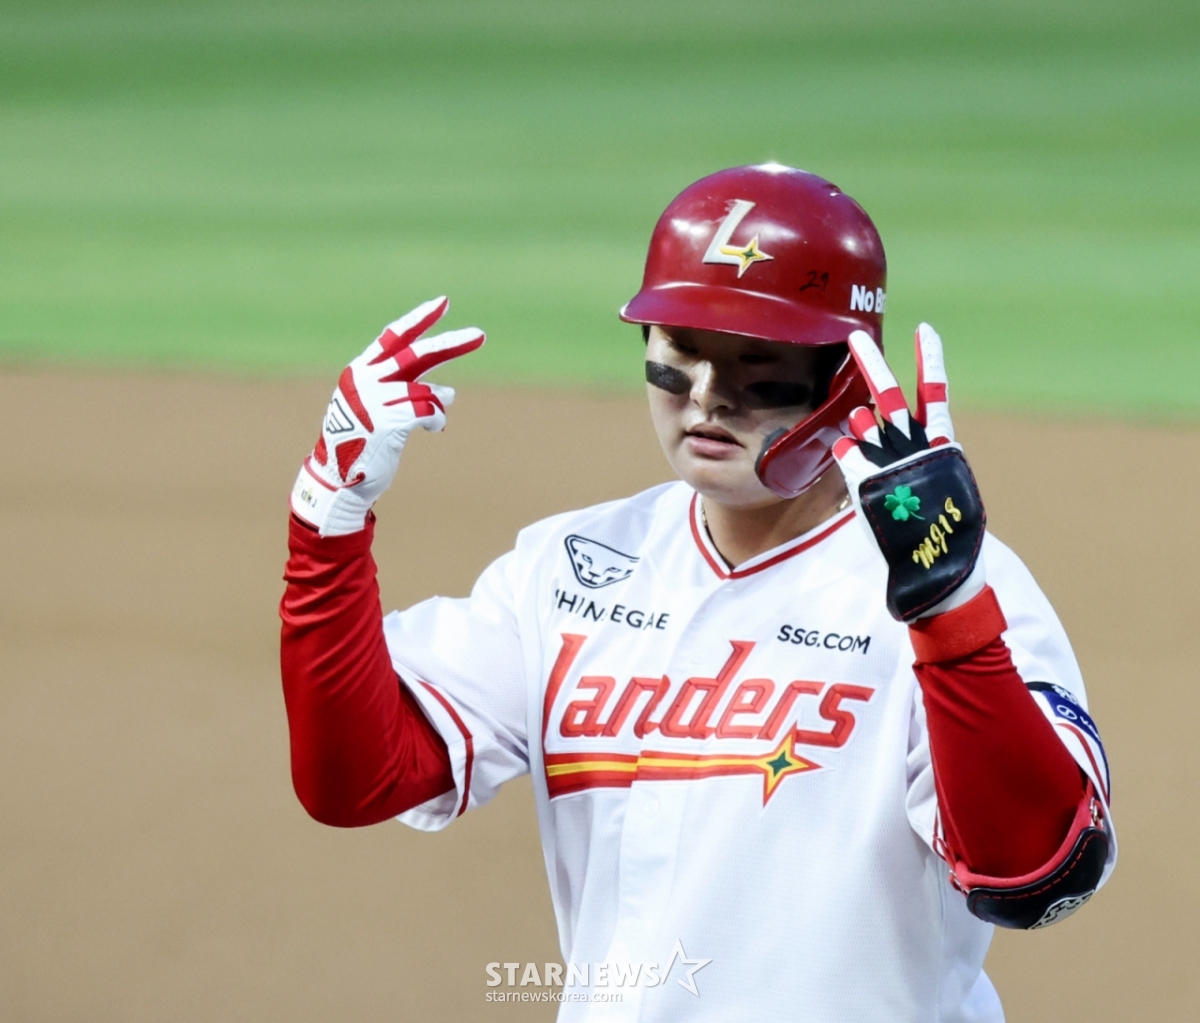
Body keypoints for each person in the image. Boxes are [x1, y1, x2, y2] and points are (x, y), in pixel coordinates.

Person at [280, 164, 1114, 1022]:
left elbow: (1036, 877)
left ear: (848, 378)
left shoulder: (962, 587)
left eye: (760, 370)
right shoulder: (571, 566)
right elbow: (359, 781)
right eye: (680, 356)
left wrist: (948, 612)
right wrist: (328, 521)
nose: (707, 400)